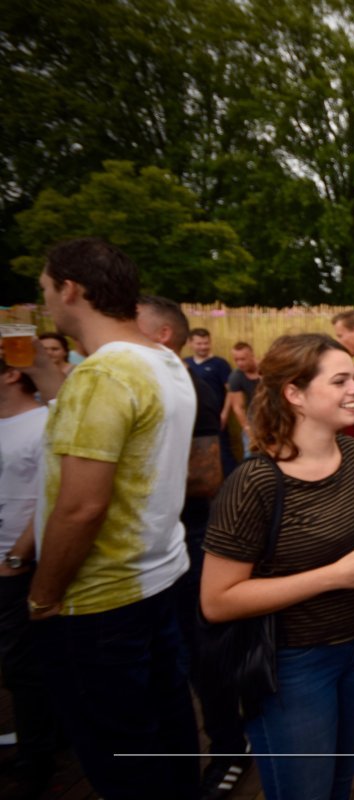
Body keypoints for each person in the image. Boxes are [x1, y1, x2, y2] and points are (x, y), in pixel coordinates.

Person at [29, 238, 200, 799]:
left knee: (123, 762)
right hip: (159, 578)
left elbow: (82, 505)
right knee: (169, 736)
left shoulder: (103, 375)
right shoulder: (163, 361)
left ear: (70, 289)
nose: (45, 302)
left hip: (99, 602)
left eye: (45, 289)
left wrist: (43, 596)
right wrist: (44, 373)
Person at [201, 333, 354, 800]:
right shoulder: (255, 483)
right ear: (295, 394)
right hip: (295, 665)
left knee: (340, 784)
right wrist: (333, 576)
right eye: (340, 381)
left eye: (352, 379)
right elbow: (217, 601)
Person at [136, 296, 250, 800]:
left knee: (203, 654)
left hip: (192, 536)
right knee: (168, 661)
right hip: (147, 550)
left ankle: (230, 747)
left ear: (161, 334)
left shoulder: (189, 387)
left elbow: (206, 478)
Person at [0, 359, 55, 798]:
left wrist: (17, 558)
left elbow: (54, 497)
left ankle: (37, 762)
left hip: (18, 567)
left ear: (11, 374)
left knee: (25, 668)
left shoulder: (44, 424)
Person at [187, 327, 236, 475]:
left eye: (206, 343)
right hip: (192, 418)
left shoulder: (220, 364)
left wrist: (225, 414)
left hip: (215, 416)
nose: (203, 347)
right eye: (199, 343)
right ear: (190, 343)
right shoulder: (185, 364)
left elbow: (231, 391)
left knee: (222, 452)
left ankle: (231, 483)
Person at [226, 341, 260, 459]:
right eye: (236, 360)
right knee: (250, 455)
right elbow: (238, 407)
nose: (239, 363)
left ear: (252, 356)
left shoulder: (268, 369)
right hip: (253, 420)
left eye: (243, 359)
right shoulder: (236, 377)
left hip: (275, 418)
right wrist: (248, 430)